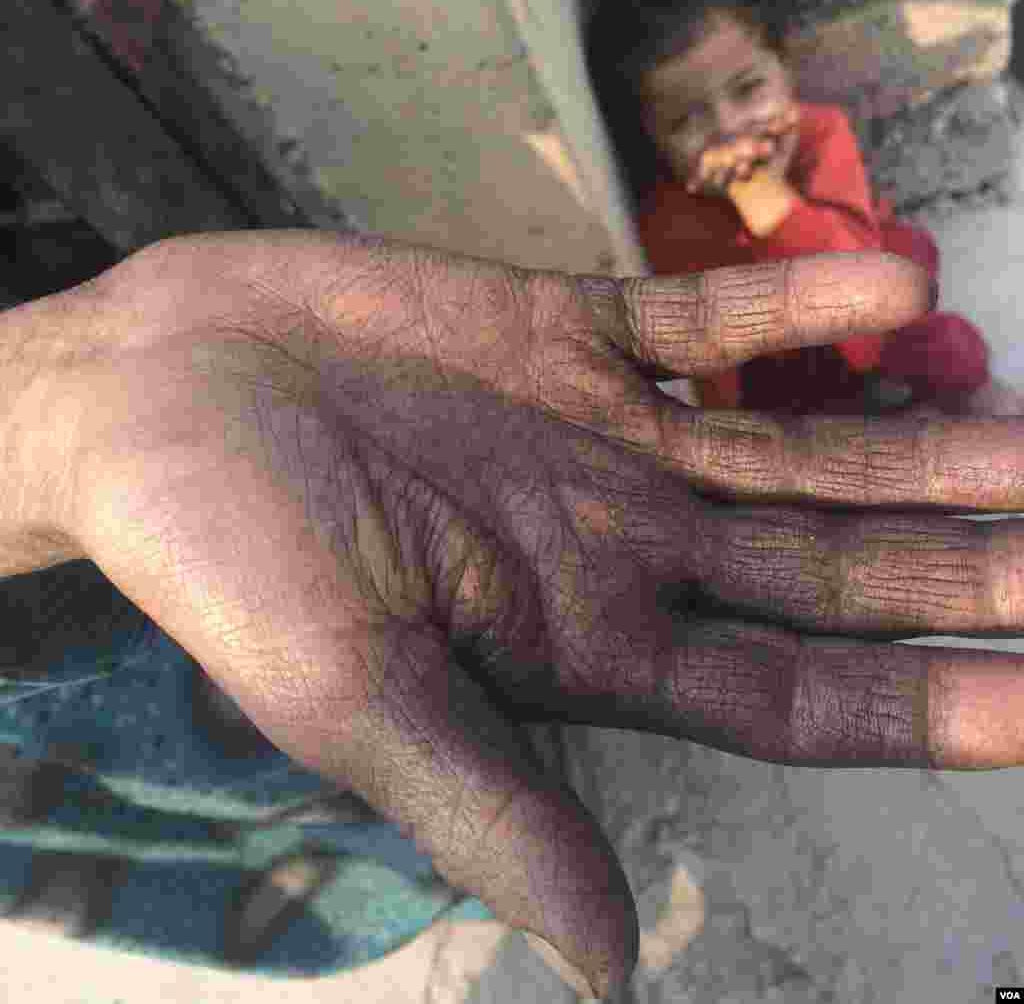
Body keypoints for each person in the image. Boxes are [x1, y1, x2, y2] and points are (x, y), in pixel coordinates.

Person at [2, 228, 1024, 1000]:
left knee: (354, 790)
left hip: (100, 586)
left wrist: (61, 386)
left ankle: (383, 863)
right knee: (225, 820)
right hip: (69, 701)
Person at [583, 0, 1024, 419]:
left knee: (941, 346)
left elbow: (854, 280)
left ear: (784, 67)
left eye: (748, 90)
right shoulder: (665, 214)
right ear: (649, 135)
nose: (728, 129)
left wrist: (763, 196)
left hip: (861, 300)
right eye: (686, 121)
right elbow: (706, 349)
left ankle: (983, 400)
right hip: (777, 357)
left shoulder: (819, 138)